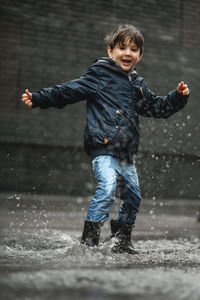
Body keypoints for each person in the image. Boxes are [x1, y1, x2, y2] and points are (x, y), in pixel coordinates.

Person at [21, 24, 190, 254]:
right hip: (103, 148)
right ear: (111, 51)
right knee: (108, 187)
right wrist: (40, 98)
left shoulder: (137, 85)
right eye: (122, 48)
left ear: (140, 55)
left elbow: (157, 107)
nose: (128, 53)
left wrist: (177, 98)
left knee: (133, 196)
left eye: (134, 49)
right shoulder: (99, 75)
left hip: (126, 153)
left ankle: (121, 241)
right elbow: (69, 90)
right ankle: (89, 241)